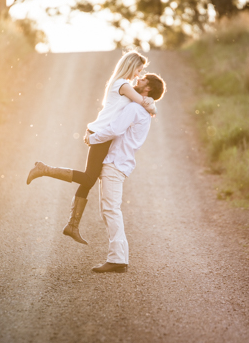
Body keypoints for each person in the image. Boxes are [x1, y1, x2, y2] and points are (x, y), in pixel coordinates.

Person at [26, 51, 157, 245]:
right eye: (138, 70)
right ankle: (44, 169)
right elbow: (144, 103)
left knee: (89, 180)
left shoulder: (121, 84)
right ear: (130, 66)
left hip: (101, 133)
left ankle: (72, 225)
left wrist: (151, 102)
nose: (139, 75)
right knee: (89, 177)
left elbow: (142, 102)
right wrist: (153, 106)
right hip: (101, 135)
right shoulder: (124, 85)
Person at [88, 73, 166, 273]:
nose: (137, 80)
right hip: (119, 163)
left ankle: (117, 259)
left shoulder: (133, 108)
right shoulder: (142, 111)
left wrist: (93, 138)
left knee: (111, 210)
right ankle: (119, 257)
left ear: (147, 89)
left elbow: (114, 129)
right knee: (109, 210)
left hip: (115, 163)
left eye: (142, 80)